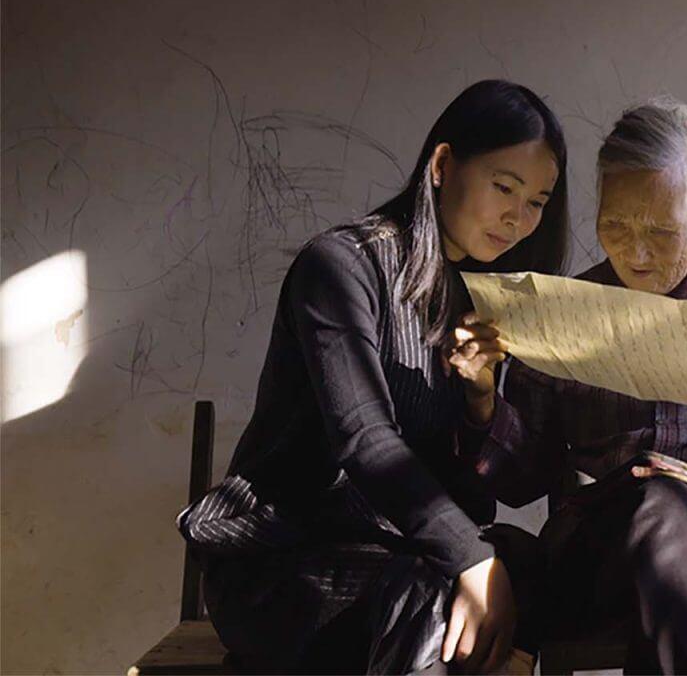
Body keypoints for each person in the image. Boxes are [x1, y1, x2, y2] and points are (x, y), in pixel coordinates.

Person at [179, 80, 569, 674]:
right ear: (442, 165)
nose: (518, 217)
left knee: (528, 565)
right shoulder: (341, 267)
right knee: (439, 595)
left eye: (537, 201)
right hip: (286, 563)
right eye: (504, 186)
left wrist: (480, 400)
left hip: (402, 555)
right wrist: (469, 558)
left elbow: (490, 496)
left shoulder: (481, 297)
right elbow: (366, 441)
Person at [450, 100, 687, 675]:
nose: (634, 253)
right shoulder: (562, 310)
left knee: (686, 595)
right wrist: (482, 399)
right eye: (614, 225)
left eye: (661, 231)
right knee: (663, 507)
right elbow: (519, 481)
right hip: (611, 550)